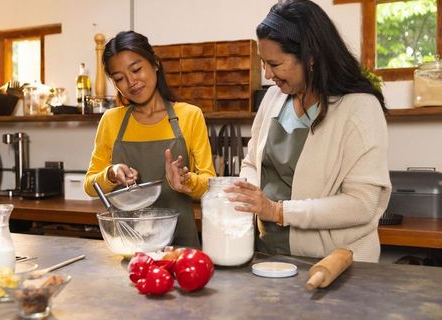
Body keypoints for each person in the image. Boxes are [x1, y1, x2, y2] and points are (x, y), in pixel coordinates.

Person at [226, 0, 392, 263]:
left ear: (311, 57)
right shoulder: (272, 99)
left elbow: (362, 204)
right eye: (263, 62)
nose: (267, 74)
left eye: (275, 64)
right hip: (267, 255)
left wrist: (278, 212)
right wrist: (247, 195)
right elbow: (252, 164)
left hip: (334, 263)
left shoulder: (359, 108)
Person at [84, 31, 216, 248]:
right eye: (119, 78)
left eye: (136, 69)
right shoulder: (111, 120)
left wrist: (186, 181)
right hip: (128, 245)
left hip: (180, 247)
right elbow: (90, 186)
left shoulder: (190, 115)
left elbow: (210, 185)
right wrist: (111, 173)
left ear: (155, 63)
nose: (131, 82)